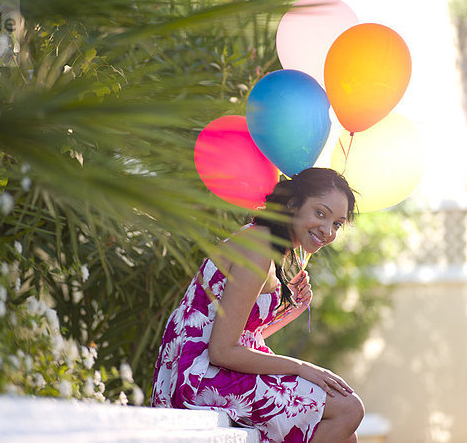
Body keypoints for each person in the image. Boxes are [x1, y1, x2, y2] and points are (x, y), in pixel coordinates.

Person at [151, 167, 365, 443]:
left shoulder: (272, 246)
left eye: (337, 223)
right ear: (293, 204)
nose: (327, 230)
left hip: (218, 369)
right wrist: (302, 367)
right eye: (320, 213)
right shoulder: (258, 247)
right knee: (349, 409)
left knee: (348, 437)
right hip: (198, 376)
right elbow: (221, 351)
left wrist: (294, 310)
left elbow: (244, 339)